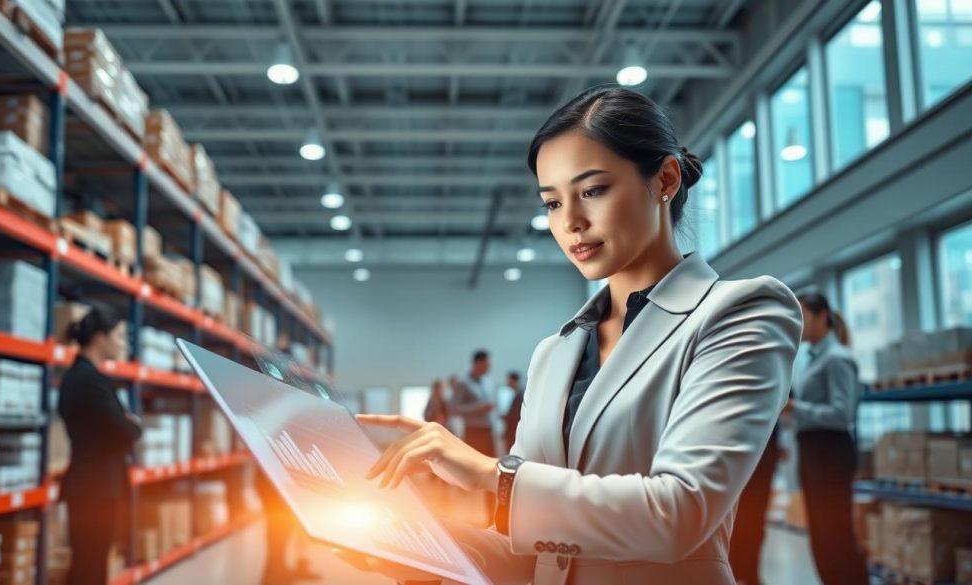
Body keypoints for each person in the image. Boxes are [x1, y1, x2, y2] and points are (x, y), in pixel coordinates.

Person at [341, 85, 803, 583]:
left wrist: (492, 476)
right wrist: (416, 545)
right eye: (552, 203)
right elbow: (537, 553)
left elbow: (680, 513)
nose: (571, 223)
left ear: (665, 179)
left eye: (593, 190)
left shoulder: (740, 313)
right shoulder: (556, 352)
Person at [784, 293, 868, 585]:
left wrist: (796, 408)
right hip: (813, 453)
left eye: (804, 316)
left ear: (823, 317)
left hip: (830, 453)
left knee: (836, 536)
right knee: (820, 535)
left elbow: (842, 413)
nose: (800, 324)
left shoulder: (837, 359)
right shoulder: (810, 359)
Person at [57, 305, 141, 585]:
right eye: (119, 336)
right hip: (95, 489)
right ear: (100, 337)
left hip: (91, 486)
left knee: (87, 564)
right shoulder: (90, 381)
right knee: (90, 567)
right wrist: (132, 423)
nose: (123, 344)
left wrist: (126, 422)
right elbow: (124, 429)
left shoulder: (80, 377)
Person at [728, 424, 780, 585]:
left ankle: (749, 573)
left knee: (754, 521)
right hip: (746, 453)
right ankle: (738, 572)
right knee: (739, 521)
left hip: (762, 456)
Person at [450, 350, 497, 457]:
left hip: (488, 430)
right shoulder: (463, 382)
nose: (489, 367)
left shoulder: (487, 382)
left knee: (491, 463)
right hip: (473, 431)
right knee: (474, 467)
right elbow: (454, 409)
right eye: (486, 364)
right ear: (478, 363)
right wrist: (478, 408)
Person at [502, 371, 525, 453]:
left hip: (513, 432)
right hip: (513, 431)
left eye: (508, 380)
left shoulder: (520, 395)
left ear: (513, 380)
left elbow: (516, 416)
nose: (507, 383)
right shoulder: (518, 394)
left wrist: (505, 417)